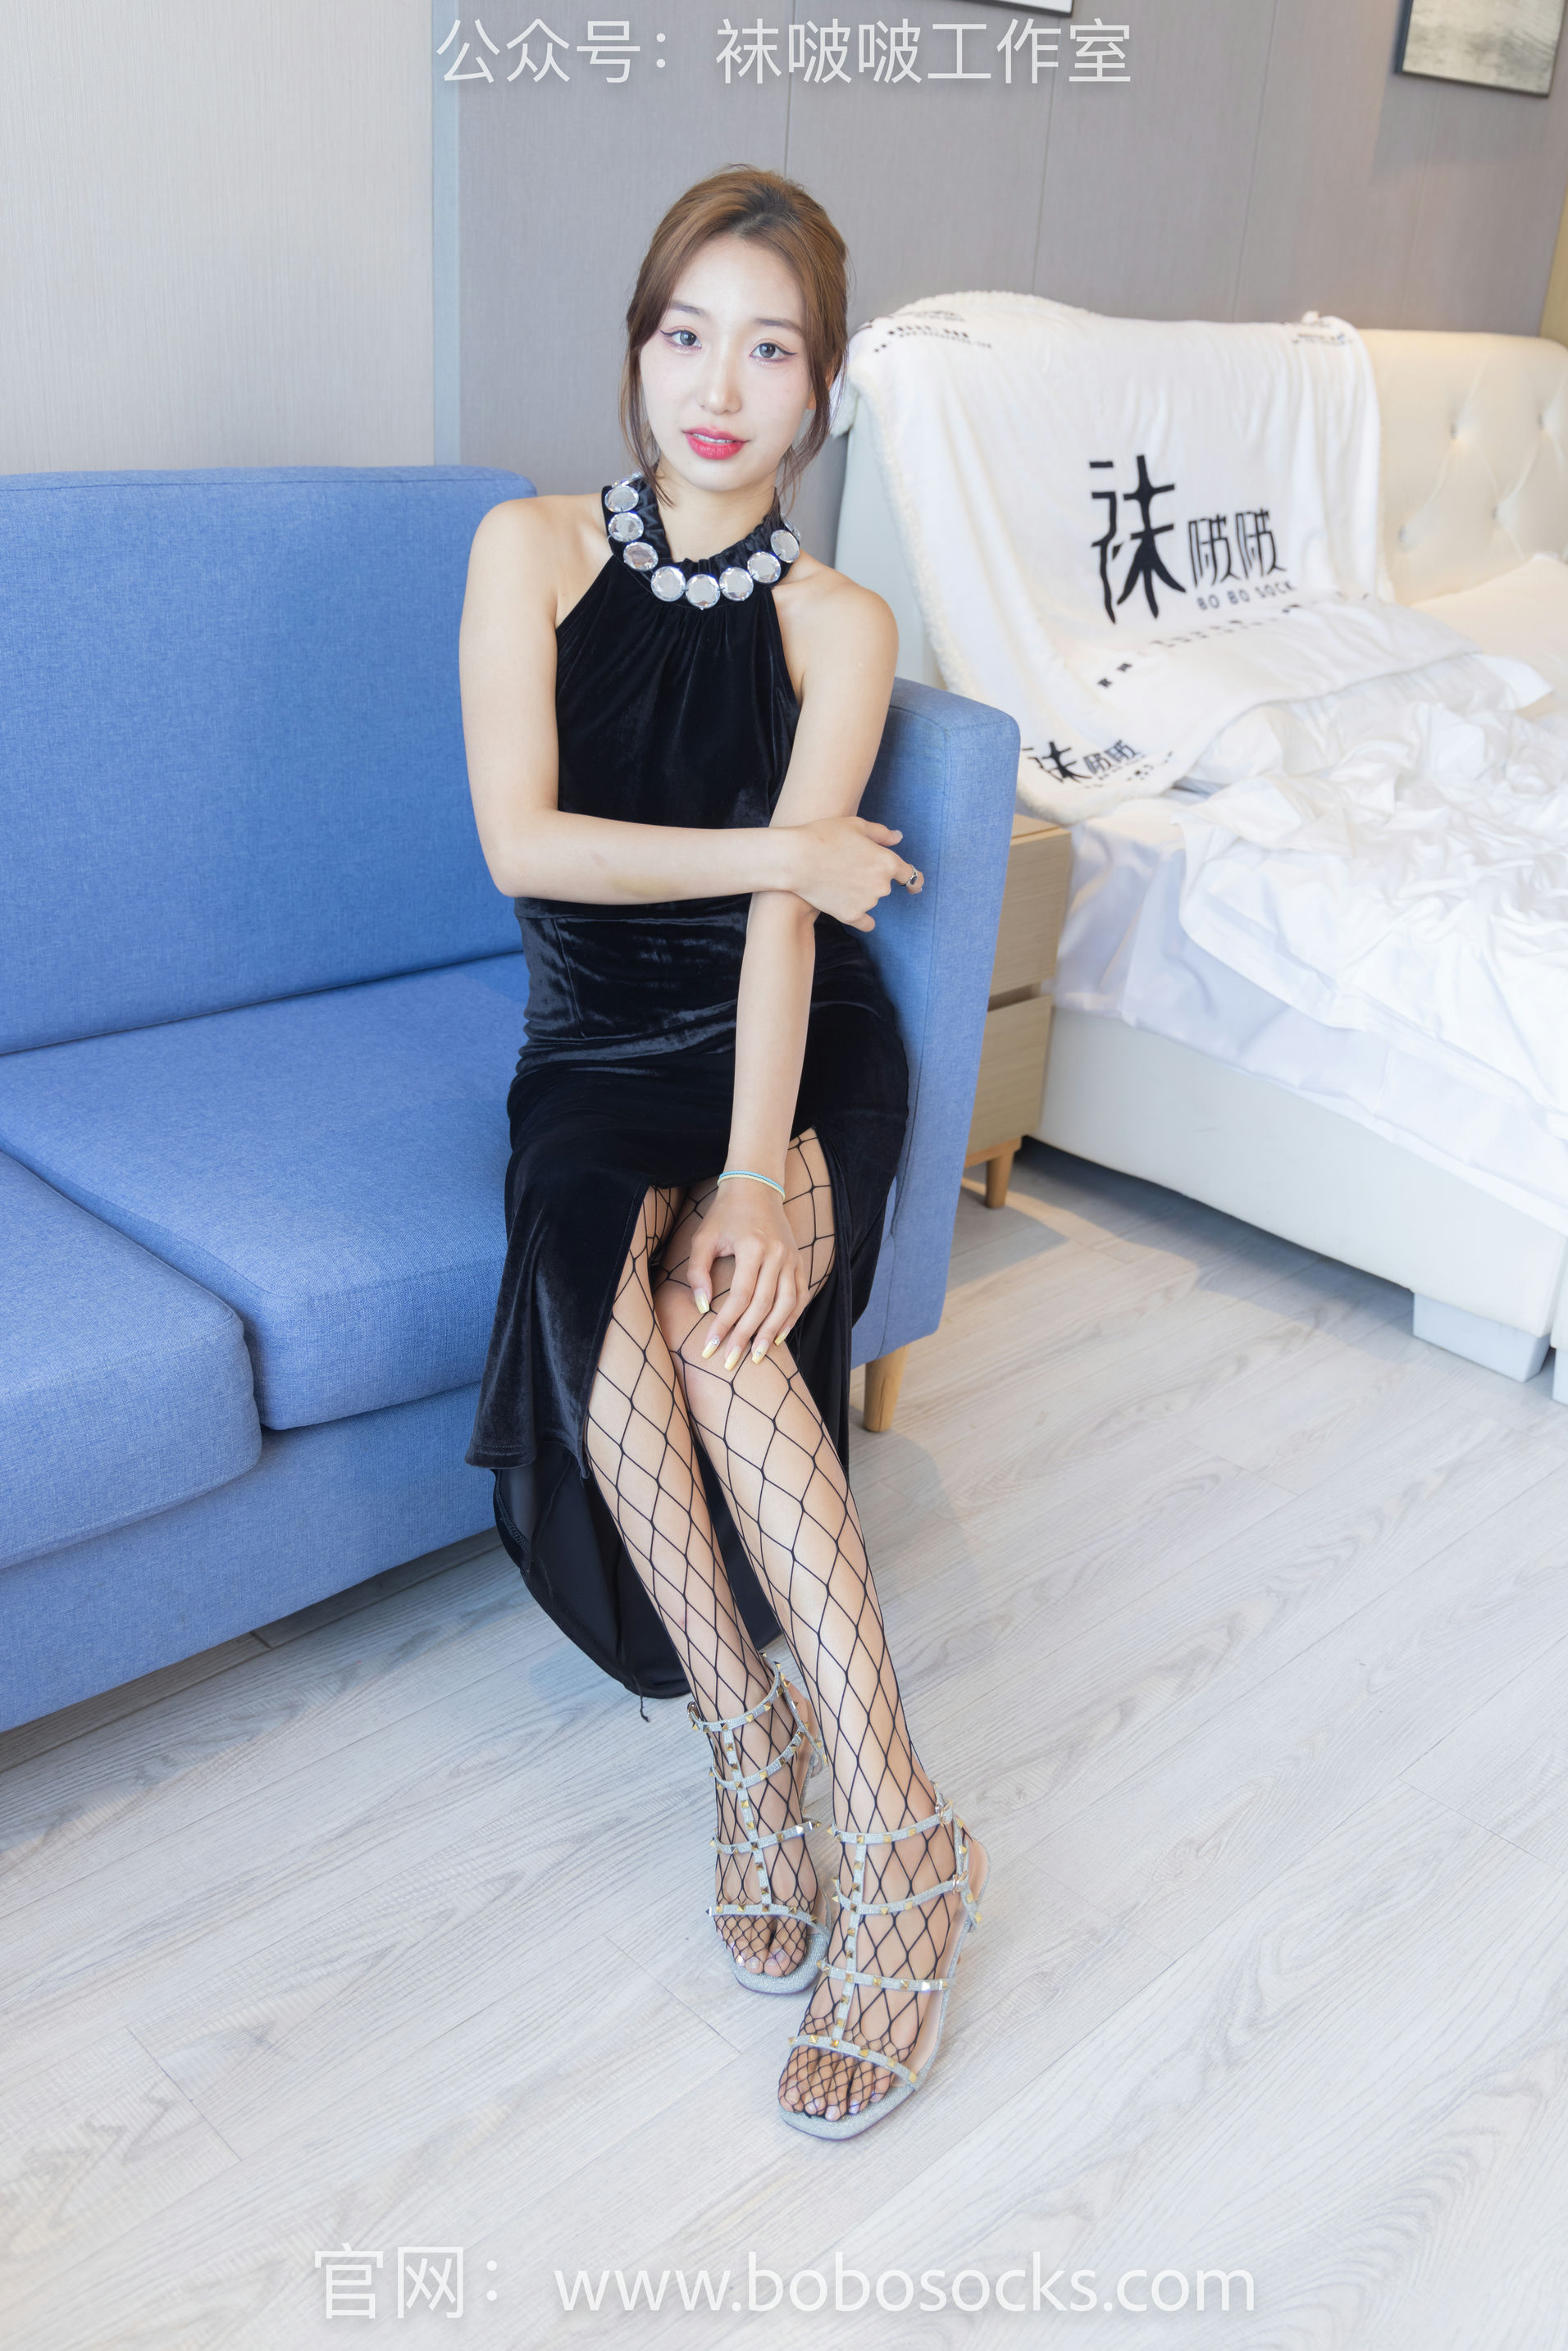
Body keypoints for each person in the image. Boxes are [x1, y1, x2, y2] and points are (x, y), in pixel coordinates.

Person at [458, 164, 989, 2139]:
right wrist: (784, 842)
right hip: (593, 1051)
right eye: (685, 333)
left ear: (818, 396)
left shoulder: (835, 621)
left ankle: (899, 1830)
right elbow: (524, 845)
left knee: (719, 1316)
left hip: (788, 1043)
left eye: (768, 351)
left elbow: (790, 928)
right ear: (636, 346)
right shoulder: (523, 550)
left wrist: (760, 1169)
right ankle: (742, 1732)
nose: (715, 384)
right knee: (592, 1276)